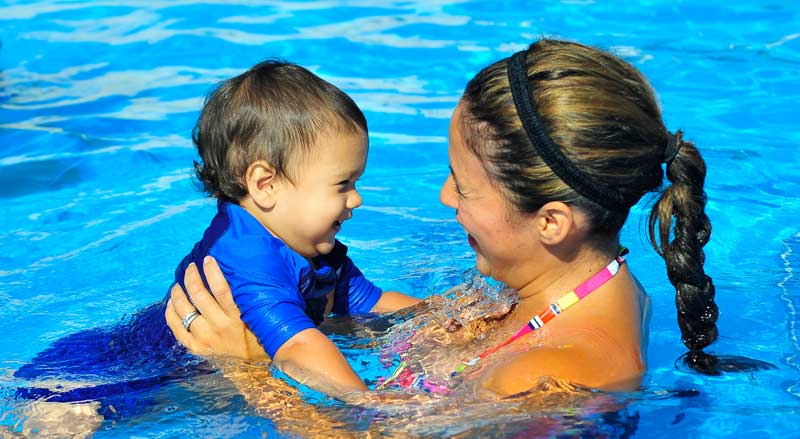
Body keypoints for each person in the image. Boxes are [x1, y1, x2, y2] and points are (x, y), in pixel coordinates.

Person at [167, 39, 772, 399]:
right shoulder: (581, 288)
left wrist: (248, 376)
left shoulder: (553, 386)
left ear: (552, 222)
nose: (443, 198)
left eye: (464, 185)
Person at [166, 60, 420, 397]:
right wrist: (372, 405)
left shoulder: (309, 245)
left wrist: (450, 320)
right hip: (144, 378)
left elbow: (372, 303)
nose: (356, 199)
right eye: (343, 184)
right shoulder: (246, 253)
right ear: (265, 184)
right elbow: (297, 348)